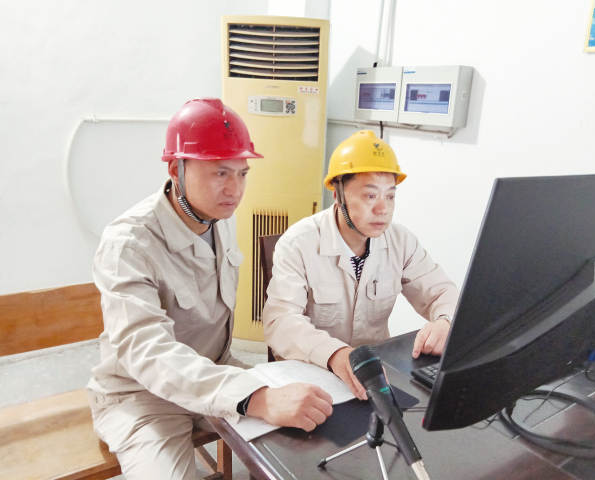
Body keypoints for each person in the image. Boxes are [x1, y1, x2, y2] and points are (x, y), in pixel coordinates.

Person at [86, 98, 332, 480]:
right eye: (220, 173)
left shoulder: (217, 218)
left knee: (314, 428)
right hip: (142, 396)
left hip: (216, 371)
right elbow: (147, 352)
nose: (235, 189)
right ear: (176, 169)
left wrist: (256, 391)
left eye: (242, 173)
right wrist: (255, 397)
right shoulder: (129, 243)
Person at [263, 130, 459, 399]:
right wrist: (335, 354)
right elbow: (281, 322)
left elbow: (442, 291)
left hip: (375, 375)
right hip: (313, 375)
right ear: (338, 194)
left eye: (390, 196)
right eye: (370, 196)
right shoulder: (298, 243)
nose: (383, 209)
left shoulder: (400, 241)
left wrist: (445, 321)